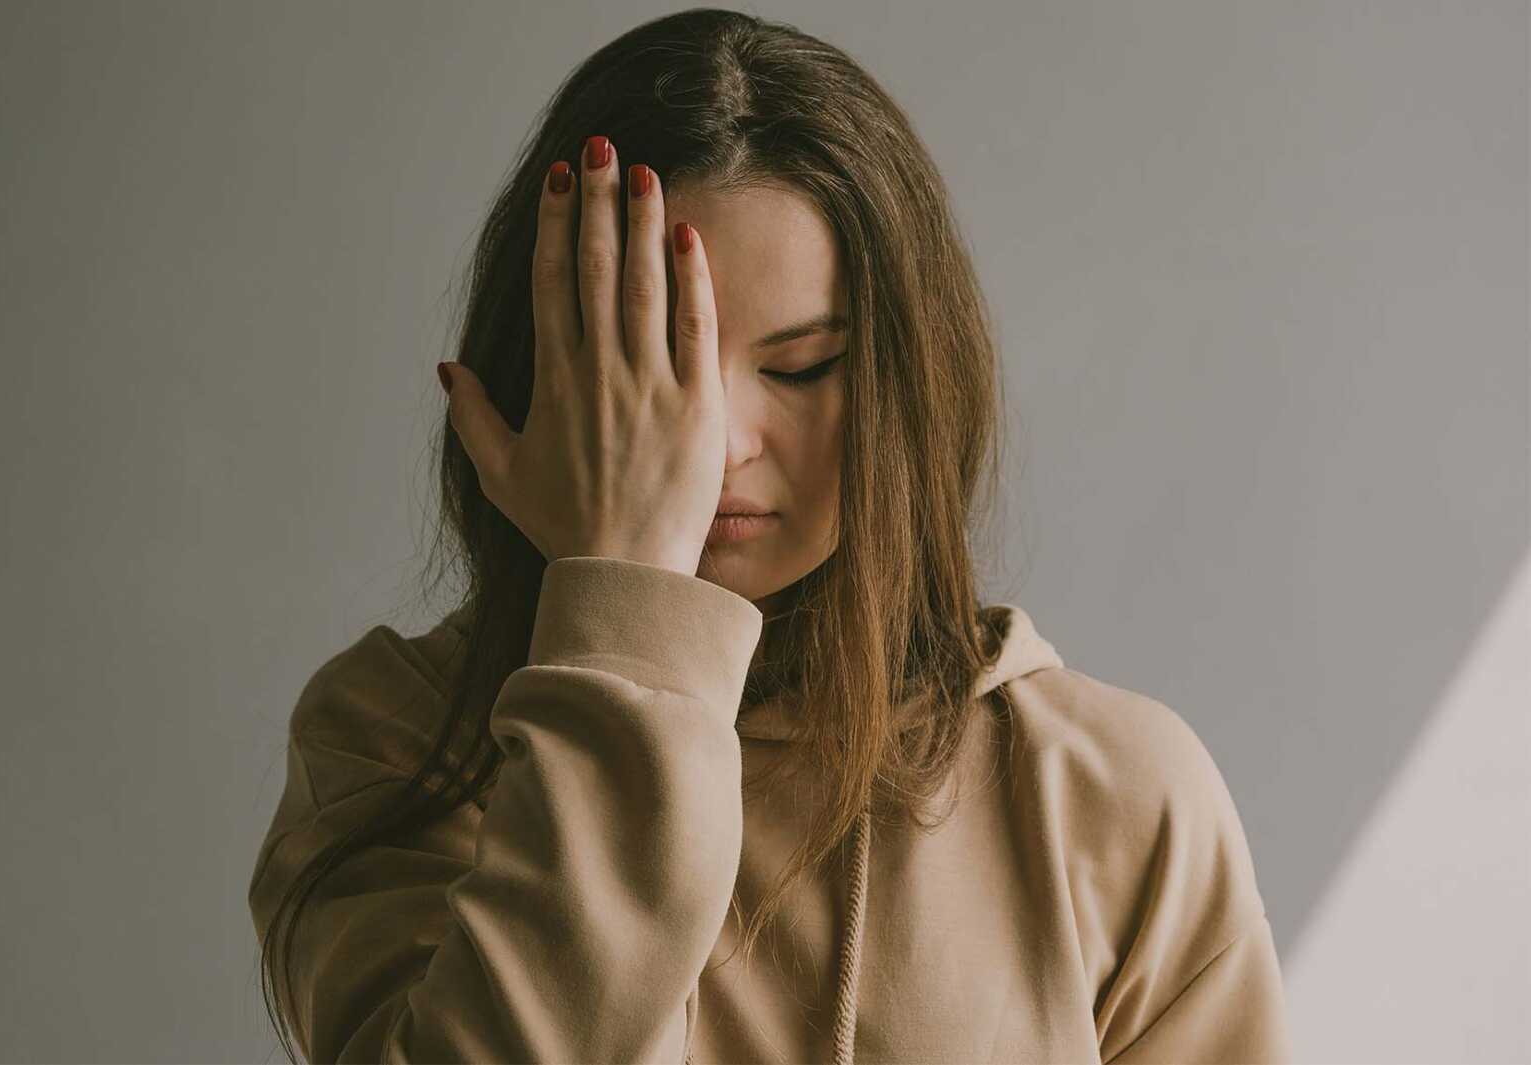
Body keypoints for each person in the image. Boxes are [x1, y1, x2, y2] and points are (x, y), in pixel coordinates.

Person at [246, 8, 1292, 1063]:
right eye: (652, 365)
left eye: (798, 370)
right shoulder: (391, 745)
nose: (722, 444)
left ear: (909, 383)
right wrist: (627, 616)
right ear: (538, 368)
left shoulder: (1107, 794)